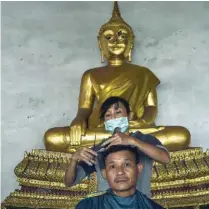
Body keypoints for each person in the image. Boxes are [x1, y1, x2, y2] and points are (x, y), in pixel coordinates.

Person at [44, 1, 190, 153]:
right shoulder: (91, 75)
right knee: (52, 137)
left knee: (181, 135)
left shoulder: (143, 74)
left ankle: (111, 146)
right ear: (100, 44)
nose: (115, 41)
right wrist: (79, 121)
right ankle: (124, 146)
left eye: (122, 36)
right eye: (108, 37)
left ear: (131, 43)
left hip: (134, 131)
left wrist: (143, 122)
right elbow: (84, 108)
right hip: (101, 129)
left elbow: (151, 107)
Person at [64, 97, 170, 197]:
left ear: (129, 116)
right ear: (104, 123)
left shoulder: (144, 139)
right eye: (108, 115)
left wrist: (133, 141)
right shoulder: (99, 149)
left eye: (118, 112)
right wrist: (74, 160)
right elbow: (69, 182)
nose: (113, 117)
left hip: (140, 204)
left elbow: (165, 158)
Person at [75, 145, 165, 209]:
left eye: (126, 164)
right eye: (112, 166)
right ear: (104, 174)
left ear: (138, 169)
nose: (120, 172)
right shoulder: (88, 205)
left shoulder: (152, 207)